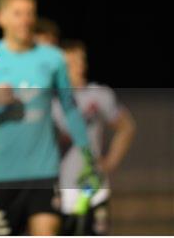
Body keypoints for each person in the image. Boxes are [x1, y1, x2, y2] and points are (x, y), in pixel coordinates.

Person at [0, 0, 97, 235]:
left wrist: (87, 155)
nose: (25, 20)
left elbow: (70, 108)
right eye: (17, 13)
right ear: (1, 17)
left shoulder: (53, 59)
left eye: (29, 13)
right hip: (3, 175)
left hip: (44, 172)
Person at [55, 39, 136, 235]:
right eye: (71, 62)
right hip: (60, 191)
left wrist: (109, 162)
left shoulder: (99, 94)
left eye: (81, 61)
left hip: (93, 189)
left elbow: (126, 127)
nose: (79, 67)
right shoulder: (50, 100)